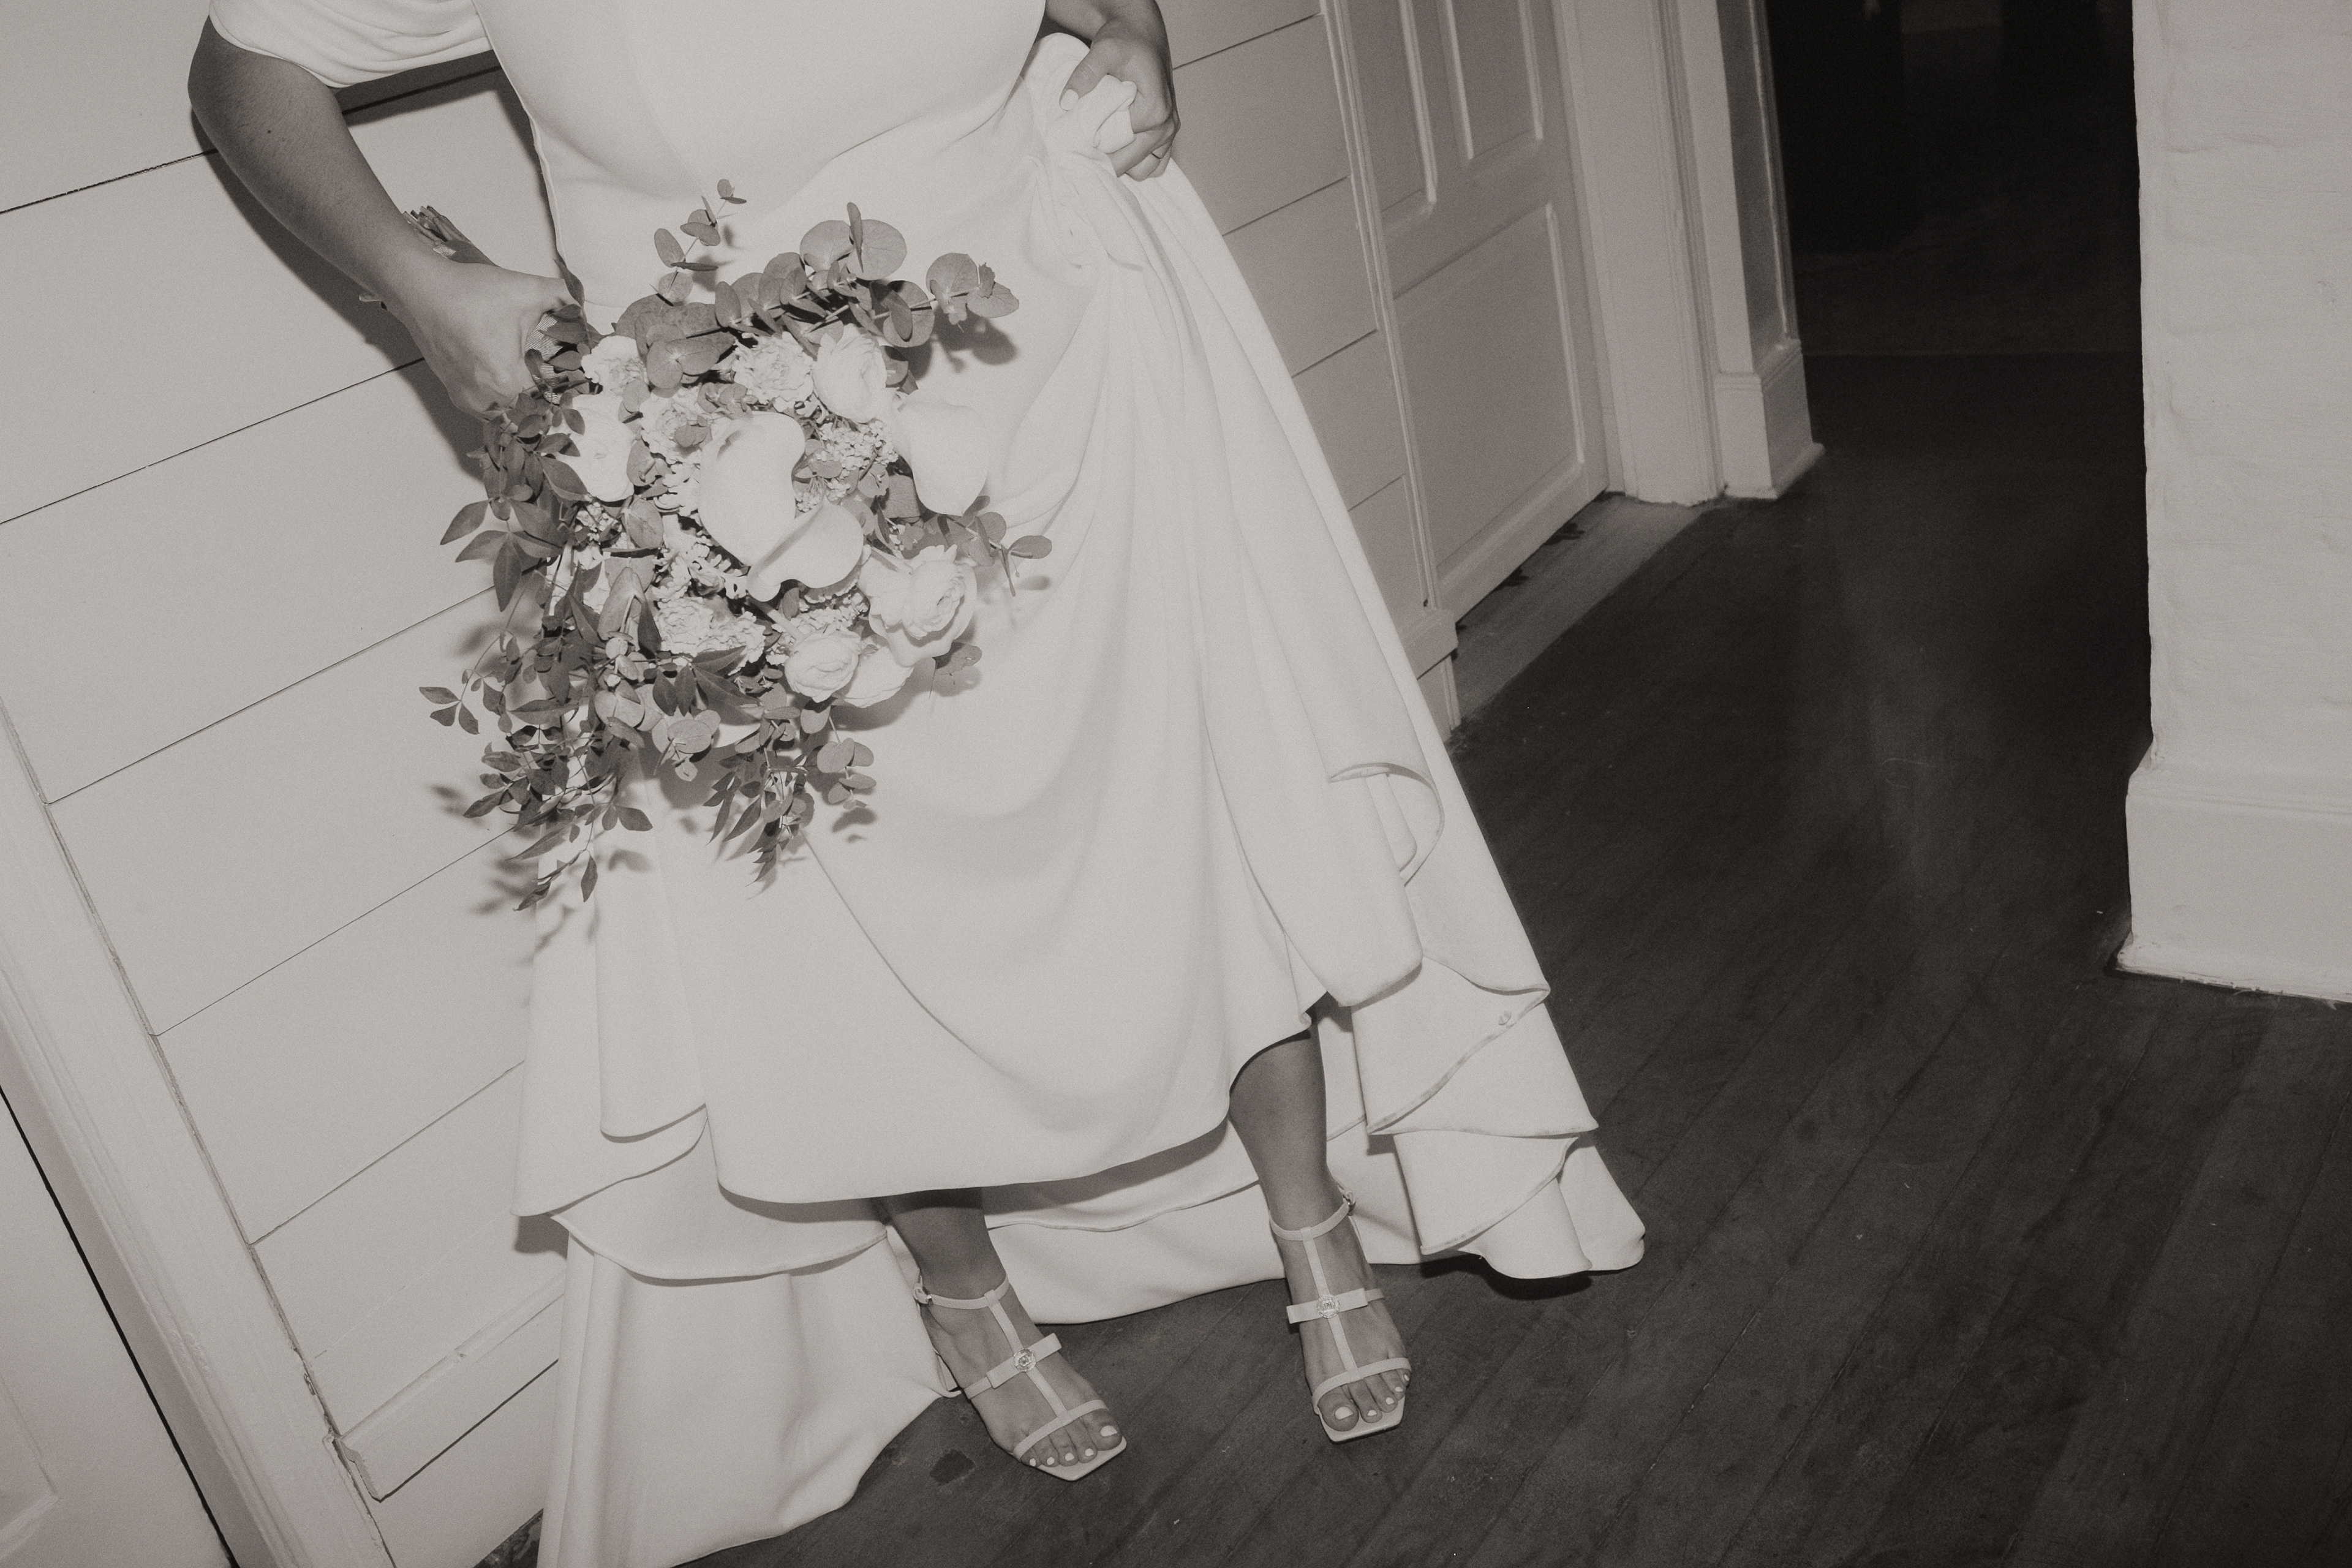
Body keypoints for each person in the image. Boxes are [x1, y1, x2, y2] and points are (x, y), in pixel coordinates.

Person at [190, 2, 1644, 1562]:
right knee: (845, 906)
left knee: (1190, 812)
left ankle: (1311, 1218)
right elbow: (241, 71)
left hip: (1059, 389)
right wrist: (421, 288)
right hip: (731, 474)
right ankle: (968, 1291)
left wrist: (1134, 23)